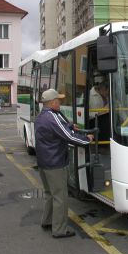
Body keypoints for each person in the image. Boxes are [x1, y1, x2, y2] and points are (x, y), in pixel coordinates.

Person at [35, 89, 93, 238]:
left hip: (44, 162)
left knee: (50, 194)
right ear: (53, 102)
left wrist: (69, 126)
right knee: (60, 197)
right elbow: (68, 137)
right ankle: (59, 229)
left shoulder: (42, 116)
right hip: (55, 163)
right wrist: (87, 139)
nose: (60, 102)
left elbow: (57, 131)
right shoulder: (52, 117)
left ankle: (47, 221)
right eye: (59, 100)